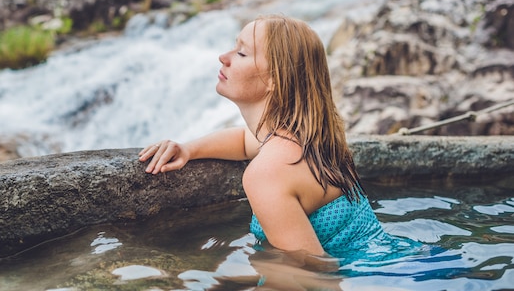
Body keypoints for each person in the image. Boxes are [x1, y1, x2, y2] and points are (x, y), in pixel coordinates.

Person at [139, 14, 424, 266]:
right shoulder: (308, 140)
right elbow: (243, 140)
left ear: (275, 79)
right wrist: (189, 148)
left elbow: (311, 272)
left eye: (241, 53)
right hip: (405, 263)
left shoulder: (268, 173)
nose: (223, 57)